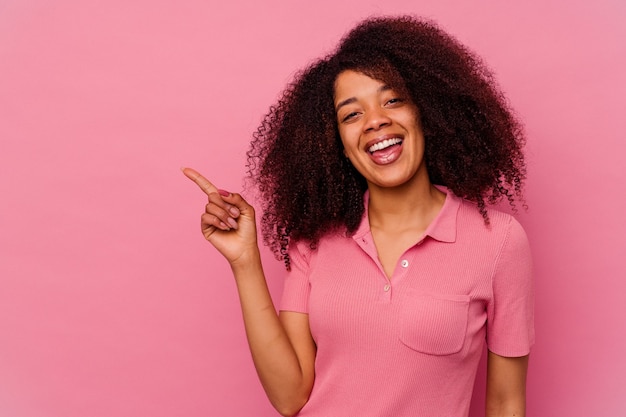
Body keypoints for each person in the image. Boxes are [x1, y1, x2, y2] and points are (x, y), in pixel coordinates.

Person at [183, 15, 534, 417]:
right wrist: (245, 262)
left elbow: (507, 402)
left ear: (427, 111)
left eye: (393, 100)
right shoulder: (313, 241)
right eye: (351, 115)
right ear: (337, 145)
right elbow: (290, 395)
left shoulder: (499, 241)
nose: (375, 121)